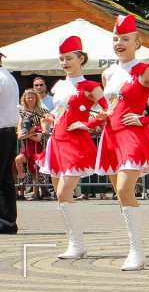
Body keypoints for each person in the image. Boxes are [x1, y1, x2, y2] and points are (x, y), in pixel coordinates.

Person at [95, 15, 149, 271]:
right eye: (116, 39)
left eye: (125, 39)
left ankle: (137, 252)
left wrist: (147, 119)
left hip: (133, 135)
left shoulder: (144, 70)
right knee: (120, 194)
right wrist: (103, 115)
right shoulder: (108, 73)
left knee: (125, 189)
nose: (119, 43)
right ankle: (134, 248)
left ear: (137, 43)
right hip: (111, 137)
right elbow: (111, 105)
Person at [35, 36, 107, 256]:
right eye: (62, 59)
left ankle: (77, 244)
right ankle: (75, 243)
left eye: (69, 58)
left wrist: (88, 124)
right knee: (60, 196)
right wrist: (51, 119)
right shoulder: (59, 85)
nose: (64, 62)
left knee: (63, 192)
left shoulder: (91, 86)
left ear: (81, 59)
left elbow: (108, 111)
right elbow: (59, 111)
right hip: (56, 142)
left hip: (76, 142)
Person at [0, 51, 21, 234]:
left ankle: (6, 221)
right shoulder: (8, 76)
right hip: (8, 132)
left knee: (5, 178)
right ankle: (7, 221)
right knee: (6, 178)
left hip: (2, 131)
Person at [15, 89, 46, 201]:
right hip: (25, 143)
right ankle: (22, 180)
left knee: (36, 170)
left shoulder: (41, 111)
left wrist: (38, 131)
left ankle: (37, 192)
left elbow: (42, 125)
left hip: (38, 141)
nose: (30, 99)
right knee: (19, 160)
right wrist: (23, 133)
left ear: (36, 98)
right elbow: (19, 128)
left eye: (32, 97)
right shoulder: (22, 112)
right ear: (25, 99)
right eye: (28, 97)